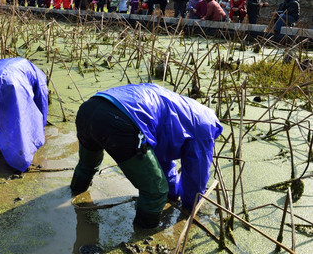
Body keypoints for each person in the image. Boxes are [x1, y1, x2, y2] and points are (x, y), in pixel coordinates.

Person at [70, 83, 222, 228]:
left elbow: (160, 161)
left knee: (88, 164)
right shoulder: (205, 126)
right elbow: (196, 177)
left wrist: (173, 193)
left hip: (88, 109)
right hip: (119, 121)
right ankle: (144, 234)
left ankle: (73, 195)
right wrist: (191, 206)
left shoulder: (176, 107)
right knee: (155, 191)